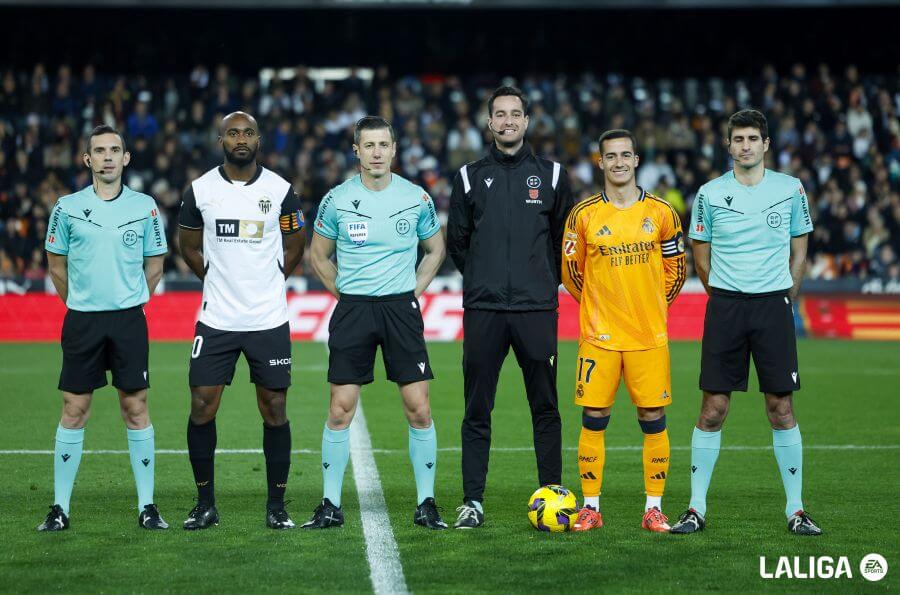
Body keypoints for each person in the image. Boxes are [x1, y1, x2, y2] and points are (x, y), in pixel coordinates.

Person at [670, 109, 821, 536]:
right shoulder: (709, 193)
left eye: (753, 138)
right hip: (727, 308)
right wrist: (724, 296)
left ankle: (796, 510)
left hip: (772, 307)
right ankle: (696, 508)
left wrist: (783, 299)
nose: (746, 146)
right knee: (713, 408)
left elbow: (799, 251)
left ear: (766, 144)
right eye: (738, 139)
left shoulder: (790, 189)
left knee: (781, 408)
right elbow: (700, 254)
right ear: (729, 145)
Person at [303, 116, 447, 530]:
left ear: (394, 149)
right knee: (340, 408)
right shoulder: (337, 200)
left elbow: (435, 250)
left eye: (384, 144)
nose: (377, 153)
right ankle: (330, 502)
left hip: (400, 310)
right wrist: (344, 295)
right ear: (357, 151)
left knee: (419, 409)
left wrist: (412, 291)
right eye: (369, 146)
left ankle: (426, 502)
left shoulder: (415, 197)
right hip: (354, 311)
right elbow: (318, 254)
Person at [447, 86, 574, 529]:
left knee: (546, 407)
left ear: (526, 121)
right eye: (499, 114)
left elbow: (564, 242)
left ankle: (554, 495)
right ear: (489, 123)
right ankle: (473, 502)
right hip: (483, 309)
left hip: (536, 309)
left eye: (514, 114)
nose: (507, 121)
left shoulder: (554, 176)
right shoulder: (467, 177)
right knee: (477, 409)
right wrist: (484, 280)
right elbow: (457, 245)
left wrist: (540, 282)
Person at [178, 111, 306, 530]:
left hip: (268, 318)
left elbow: (295, 243)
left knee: (275, 408)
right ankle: (204, 503)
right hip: (217, 318)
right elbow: (188, 245)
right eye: (233, 133)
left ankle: (276, 506)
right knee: (201, 406)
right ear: (221, 140)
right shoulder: (200, 190)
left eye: (248, 132)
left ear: (259, 139)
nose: (240, 139)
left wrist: (271, 279)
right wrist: (215, 279)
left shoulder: (282, 191)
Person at [39, 125, 168, 531]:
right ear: (87, 159)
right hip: (82, 320)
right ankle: (60, 508)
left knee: (136, 407)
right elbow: (55, 264)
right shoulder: (66, 206)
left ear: (126, 158)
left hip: (129, 320)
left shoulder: (145, 206)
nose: (108, 157)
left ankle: (147, 506)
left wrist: (132, 301)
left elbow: (156, 263)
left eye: (115, 150)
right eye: (100, 151)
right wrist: (80, 304)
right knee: (74, 410)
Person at [561, 129, 686, 533]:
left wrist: (651, 303)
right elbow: (572, 273)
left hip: (649, 336)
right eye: (610, 156)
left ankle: (654, 508)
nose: (618, 162)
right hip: (599, 337)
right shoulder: (583, 215)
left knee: (653, 416)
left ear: (636, 160)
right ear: (601, 162)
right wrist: (600, 305)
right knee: (594, 416)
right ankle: (591, 508)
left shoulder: (663, 212)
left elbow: (676, 269)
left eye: (625, 155)